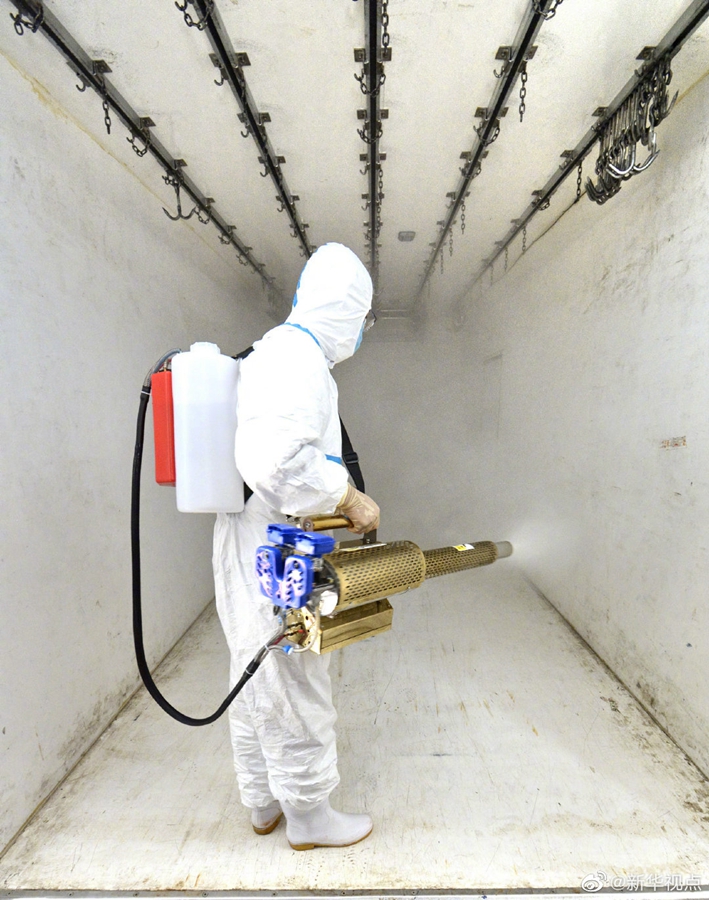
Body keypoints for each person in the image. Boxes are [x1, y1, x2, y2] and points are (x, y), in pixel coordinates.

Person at [212, 242, 381, 851]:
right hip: (276, 541)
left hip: (252, 534)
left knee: (254, 665)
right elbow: (275, 463)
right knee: (293, 666)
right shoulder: (296, 358)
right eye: (361, 318)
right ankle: (309, 816)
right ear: (347, 309)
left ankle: (262, 802)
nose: (359, 333)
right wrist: (349, 498)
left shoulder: (278, 351)